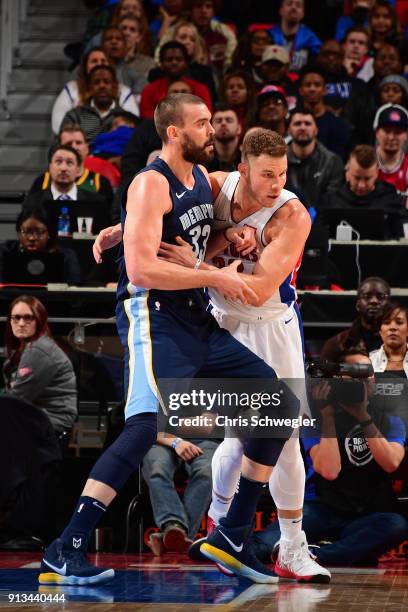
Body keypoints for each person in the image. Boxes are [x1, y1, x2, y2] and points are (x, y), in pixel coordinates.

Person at [39, 94, 297, 585]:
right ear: (173, 132)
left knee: (276, 404)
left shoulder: (200, 178)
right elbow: (142, 268)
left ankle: (231, 536)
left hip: (195, 319)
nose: (212, 130)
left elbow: (197, 233)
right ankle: (66, 546)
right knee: (141, 429)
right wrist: (215, 277)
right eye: (202, 124)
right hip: (152, 317)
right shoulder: (149, 183)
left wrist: (234, 236)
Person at [93, 126, 330, 583]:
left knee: (282, 442)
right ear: (243, 170)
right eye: (267, 175)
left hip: (271, 326)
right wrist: (120, 229)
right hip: (218, 321)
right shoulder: (216, 185)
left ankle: (292, 547)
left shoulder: (291, 215)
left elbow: (259, 291)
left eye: (282, 174)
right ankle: (222, 530)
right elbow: (167, 217)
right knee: (237, 438)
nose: (277, 184)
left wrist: (197, 266)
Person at [252, 349, 408, 567]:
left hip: (366, 512)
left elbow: (391, 463)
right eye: (354, 373)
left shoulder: (389, 416)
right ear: (338, 378)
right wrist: (327, 417)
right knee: (264, 546)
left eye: (367, 373)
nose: (362, 380)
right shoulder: (315, 415)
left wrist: (363, 417)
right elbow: (329, 470)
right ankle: (230, 547)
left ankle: (317, 554)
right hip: (320, 507)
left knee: (395, 524)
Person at [2, 296, 77, 438]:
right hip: (35, 419)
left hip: (51, 424)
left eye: (28, 318)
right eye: (16, 318)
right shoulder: (25, 348)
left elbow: (16, 399)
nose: (21, 323)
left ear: (39, 320)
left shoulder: (38, 350)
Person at [143, 435, 219, 554]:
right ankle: (176, 532)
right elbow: (144, 427)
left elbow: (211, 424)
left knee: (206, 473)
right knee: (157, 469)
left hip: (206, 441)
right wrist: (175, 442)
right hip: (162, 441)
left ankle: (173, 532)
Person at [319, 144, 407, 239]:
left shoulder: (392, 200)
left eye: (367, 178)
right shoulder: (330, 201)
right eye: (357, 178)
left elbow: (403, 242)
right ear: (347, 173)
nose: (361, 185)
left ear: (377, 173)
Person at [51, 48, 139, 135]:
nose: (99, 64)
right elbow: (59, 128)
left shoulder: (124, 98)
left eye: (103, 61)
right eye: (94, 61)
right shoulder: (75, 111)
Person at [29, 124, 114, 199]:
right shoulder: (43, 181)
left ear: (87, 148)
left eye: (78, 143)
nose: (74, 147)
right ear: (58, 148)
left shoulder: (100, 182)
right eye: (68, 144)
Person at [0, 208, 81, 285]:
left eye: (39, 232)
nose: (32, 238)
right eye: (26, 231)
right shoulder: (5, 251)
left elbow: (73, 286)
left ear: (49, 234)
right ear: (18, 233)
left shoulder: (66, 255)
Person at [320, 276, 391, 362]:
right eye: (367, 296)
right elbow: (322, 373)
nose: (374, 301)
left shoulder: (402, 342)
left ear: (389, 305)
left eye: (381, 297)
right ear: (358, 305)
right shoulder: (338, 343)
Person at [23, 144, 109, 213]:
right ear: (50, 166)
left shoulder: (96, 203)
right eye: (58, 162)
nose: (63, 168)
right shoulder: (33, 202)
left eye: (69, 162)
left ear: (78, 169)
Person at [286, 108, 344, 211]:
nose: (302, 127)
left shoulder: (333, 162)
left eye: (307, 123)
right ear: (289, 130)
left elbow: (333, 201)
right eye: (297, 124)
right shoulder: (277, 161)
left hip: (321, 221)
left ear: (316, 130)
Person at [140, 42, 213, 118]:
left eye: (179, 59)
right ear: (161, 64)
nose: (174, 62)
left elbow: (206, 116)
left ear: (186, 63)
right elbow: (147, 120)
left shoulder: (200, 89)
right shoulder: (149, 90)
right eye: (169, 59)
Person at [151, 20, 217, 103]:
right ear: (173, 39)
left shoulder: (204, 73)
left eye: (192, 39)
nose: (188, 42)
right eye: (183, 37)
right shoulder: (157, 73)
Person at [61, 65, 127, 142]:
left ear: (115, 87)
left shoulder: (126, 117)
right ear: (89, 88)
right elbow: (59, 146)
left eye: (107, 82)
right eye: (96, 82)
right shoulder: (74, 116)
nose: (102, 86)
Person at [298, 64, 350, 160]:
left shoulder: (337, 124)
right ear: (300, 90)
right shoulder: (292, 122)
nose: (312, 89)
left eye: (317, 85)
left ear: (325, 90)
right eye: (308, 85)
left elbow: (338, 159)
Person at [269, 0, 321, 73]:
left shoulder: (311, 39)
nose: (293, 7)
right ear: (281, 10)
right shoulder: (269, 36)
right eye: (289, 4)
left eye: (298, 5)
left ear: (303, 13)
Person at [190, 0, 237, 74]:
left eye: (208, 6)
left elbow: (229, 63)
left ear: (214, 11)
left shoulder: (224, 33)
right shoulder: (181, 32)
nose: (203, 11)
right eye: (198, 6)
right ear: (191, 10)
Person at [375, 103, 408, 203]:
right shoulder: (363, 162)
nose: (391, 137)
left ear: (406, 135)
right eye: (386, 131)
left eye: (397, 132)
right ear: (376, 132)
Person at [101, 25, 147, 95]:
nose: (114, 42)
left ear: (125, 46)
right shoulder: (85, 70)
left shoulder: (136, 77)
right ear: (102, 45)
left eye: (118, 39)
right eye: (109, 39)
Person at [316, 39, 358, 116]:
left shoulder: (357, 85)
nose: (331, 58)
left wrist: (344, 111)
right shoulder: (308, 82)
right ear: (319, 57)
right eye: (327, 54)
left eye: (336, 55)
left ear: (342, 58)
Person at [370, 303, 408, 378]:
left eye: (399, 322)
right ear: (380, 331)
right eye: (386, 322)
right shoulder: (369, 361)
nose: (392, 327)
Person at [206, 104, 242, 172]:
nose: (223, 123)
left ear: (239, 128)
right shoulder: (202, 160)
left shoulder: (247, 159)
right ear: (211, 128)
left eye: (229, 120)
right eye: (218, 121)